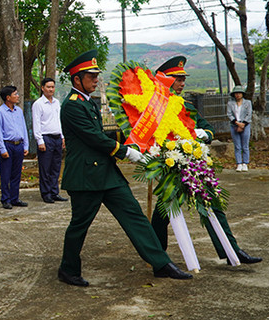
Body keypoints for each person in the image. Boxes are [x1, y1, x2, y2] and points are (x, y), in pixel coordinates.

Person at [57, 50, 191, 287]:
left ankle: (161, 264)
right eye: (91, 76)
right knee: (79, 225)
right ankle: (68, 270)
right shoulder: (72, 106)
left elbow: (101, 134)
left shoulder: (87, 102)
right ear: (77, 79)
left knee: (135, 217)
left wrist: (131, 136)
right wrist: (126, 151)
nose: (96, 79)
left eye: (96, 75)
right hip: (86, 177)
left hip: (107, 175)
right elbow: (94, 139)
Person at [152, 56, 262, 266]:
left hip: (193, 164)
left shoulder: (185, 105)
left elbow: (207, 127)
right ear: (166, 79)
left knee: (213, 204)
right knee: (164, 211)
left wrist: (203, 134)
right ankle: (157, 254)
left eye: (183, 79)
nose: (182, 83)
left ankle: (232, 251)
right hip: (171, 164)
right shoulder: (157, 106)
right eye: (178, 79)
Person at [32, 77, 68, 203]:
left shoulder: (57, 102)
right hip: (46, 138)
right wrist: (39, 140)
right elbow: (36, 123)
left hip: (57, 137)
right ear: (42, 88)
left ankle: (54, 192)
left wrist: (62, 136)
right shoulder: (38, 104)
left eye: (52, 87)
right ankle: (46, 193)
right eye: (48, 87)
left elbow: (59, 121)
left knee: (56, 167)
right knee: (45, 168)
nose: (51, 89)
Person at [0, 85, 29, 209]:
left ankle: (15, 198)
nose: (18, 96)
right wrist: (2, 149)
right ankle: (5, 199)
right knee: (6, 174)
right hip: (7, 145)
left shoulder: (18, 111)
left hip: (18, 145)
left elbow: (23, 128)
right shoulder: (0, 112)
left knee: (16, 174)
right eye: (15, 94)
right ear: (8, 97)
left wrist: (26, 145)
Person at [227, 85, 252, 172]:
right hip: (234, 124)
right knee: (237, 146)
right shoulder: (230, 103)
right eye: (236, 93)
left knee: (245, 145)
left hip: (245, 125)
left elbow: (249, 114)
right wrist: (237, 123)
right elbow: (229, 114)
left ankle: (245, 163)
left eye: (239, 93)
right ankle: (239, 163)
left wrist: (243, 124)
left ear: (242, 94)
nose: (237, 95)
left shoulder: (247, 103)